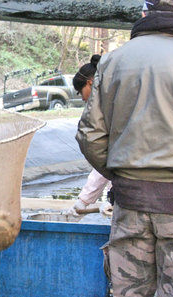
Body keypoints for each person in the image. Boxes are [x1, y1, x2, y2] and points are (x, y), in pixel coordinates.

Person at [76, 0, 173, 297]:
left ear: (144, 14)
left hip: (130, 200)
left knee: (129, 293)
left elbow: (89, 135)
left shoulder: (112, 61)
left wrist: (121, 173)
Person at [69, 55, 112, 216]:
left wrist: (84, 201)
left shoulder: (105, 110)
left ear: (90, 83)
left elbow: (105, 162)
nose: (83, 98)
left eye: (82, 92)